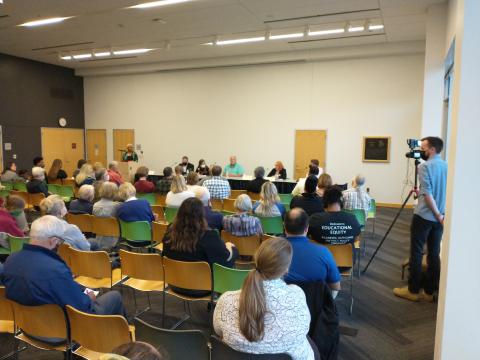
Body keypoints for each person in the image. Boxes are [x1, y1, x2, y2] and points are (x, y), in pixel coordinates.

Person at [1, 215, 126, 317]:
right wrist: (89, 297)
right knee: (114, 296)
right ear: (53, 241)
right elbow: (82, 308)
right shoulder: (55, 269)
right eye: (60, 242)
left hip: (27, 325)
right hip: (59, 330)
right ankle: (124, 344)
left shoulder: (11, 260)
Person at [214, 237, 315, 360]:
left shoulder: (226, 299)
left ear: (257, 261)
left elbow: (218, 331)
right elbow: (305, 328)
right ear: (286, 269)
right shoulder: (297, 295)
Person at [394, 137, 447, 302]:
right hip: (441, 218)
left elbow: (429, 194)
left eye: (423, 148)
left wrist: (436, 213)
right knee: (434, 253)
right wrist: (440, 215)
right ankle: (430, 291)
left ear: (431, 149)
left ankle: (413, 290)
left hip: (425, 216)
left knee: (416, 253)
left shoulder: (424, 167)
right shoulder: (447, 166)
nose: (420, 151)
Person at [163, 197, 238, 295]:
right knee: (228, 259)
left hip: (174, 283)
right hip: (202, 288)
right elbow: (224, 261)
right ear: (202, 215)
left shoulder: (170, 232)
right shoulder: (209, 236)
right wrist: (231, 248)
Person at [283, 208, 341, 292]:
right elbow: (336, 287)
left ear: (284, 227)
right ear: (307, 228)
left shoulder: (270, 250)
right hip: (315, 302)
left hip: (280, 301)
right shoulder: (324, 252)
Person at [92, 182, 120, 250]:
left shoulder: (95, 205)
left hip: (99, 237)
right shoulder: (117, 206)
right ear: (114, 192)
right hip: (114, 239)